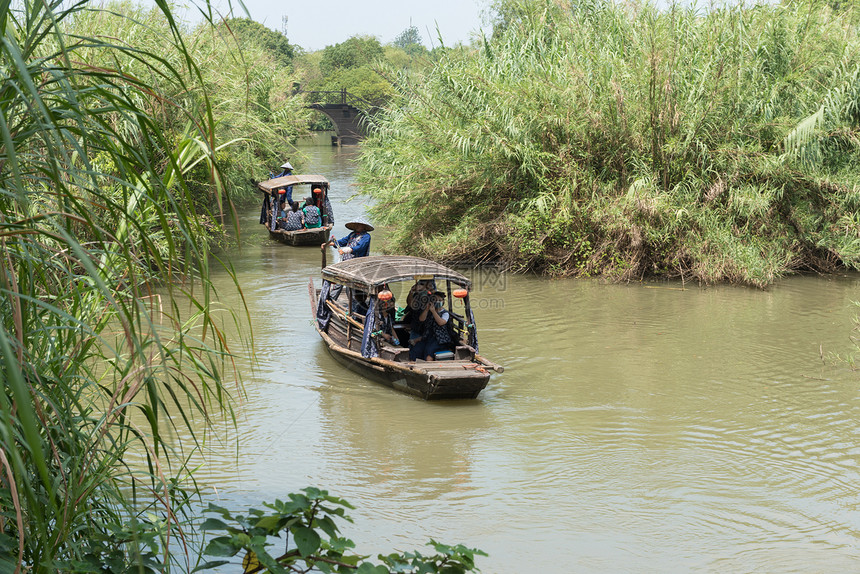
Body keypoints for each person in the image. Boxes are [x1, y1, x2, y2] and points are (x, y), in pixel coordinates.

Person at [408, 290, 453, 361]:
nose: (437, 302)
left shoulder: (445, 313)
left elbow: (441, 322)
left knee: (429, 354)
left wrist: (434, 311)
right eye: (435, 300)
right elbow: (421, 319)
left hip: (440, 339)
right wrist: (427, 309)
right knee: (416, 349)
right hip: (428, 337)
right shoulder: (429, 310)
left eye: (440, 300)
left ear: (443, 301)